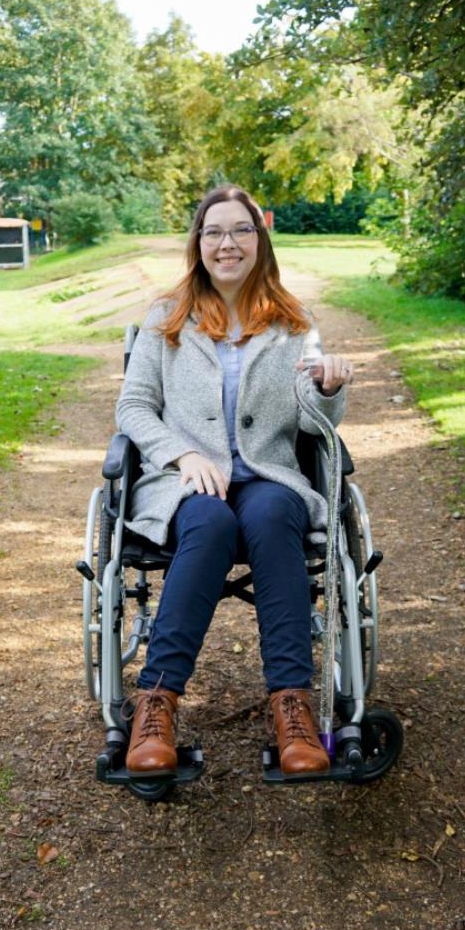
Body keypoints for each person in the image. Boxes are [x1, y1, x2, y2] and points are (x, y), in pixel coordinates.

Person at [116, 186, 354, 778]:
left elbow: (311, 423)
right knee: (210, 519)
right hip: (187, 484)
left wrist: (328, 389)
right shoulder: (165, 316)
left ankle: (293, 705)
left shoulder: (294, 321)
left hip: (268, 475)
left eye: (241, 231)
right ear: (198, 243)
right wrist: (180, 454)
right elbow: (134, 407)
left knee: (274, 514)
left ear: (259, 240)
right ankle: (157, 703)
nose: (228, 243)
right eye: (214, 231)